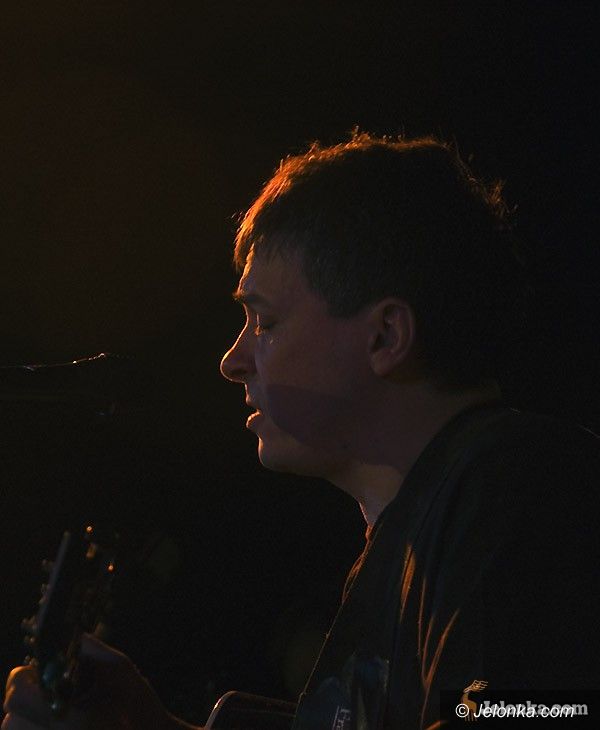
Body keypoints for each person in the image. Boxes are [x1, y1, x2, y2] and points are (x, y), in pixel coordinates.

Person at [4, 133, 599, 729]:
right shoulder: (428, 530)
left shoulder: (525, 493)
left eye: (264, 321)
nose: (232, 361)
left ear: (386, 336)